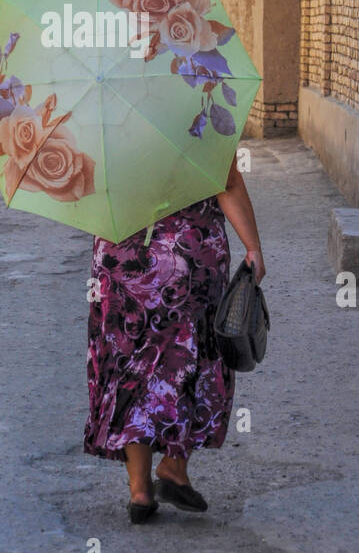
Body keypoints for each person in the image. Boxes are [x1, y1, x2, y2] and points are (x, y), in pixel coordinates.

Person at [84, 155, 265, 522]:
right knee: (186, 357)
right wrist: (253, 246)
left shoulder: (104, 115)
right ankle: (173, 467)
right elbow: (226, 180)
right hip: (188, 255)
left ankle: (139, 491)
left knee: (129, 364)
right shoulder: (199, 107)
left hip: (121, 254)